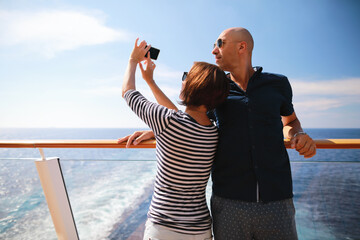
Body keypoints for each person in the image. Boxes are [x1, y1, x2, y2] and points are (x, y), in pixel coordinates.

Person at [119, 28, 317, 240]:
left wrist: (298, 134)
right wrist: (158, 131)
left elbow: (291, 121)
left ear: (242, 47)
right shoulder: (219, 91)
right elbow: (186, 120)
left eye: (220, 44)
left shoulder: (277, 84)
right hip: (227, 205)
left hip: (276, 199)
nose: (213, 51)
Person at [121, 38, 229, 240]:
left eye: (186, 76)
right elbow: (180, 116)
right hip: (201, 229)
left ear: (193, 86)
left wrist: (132, 61)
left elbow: (128, 93)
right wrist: (151, 82)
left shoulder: (168, 122)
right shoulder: (213, 132)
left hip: (165, 227)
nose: (183, 79)